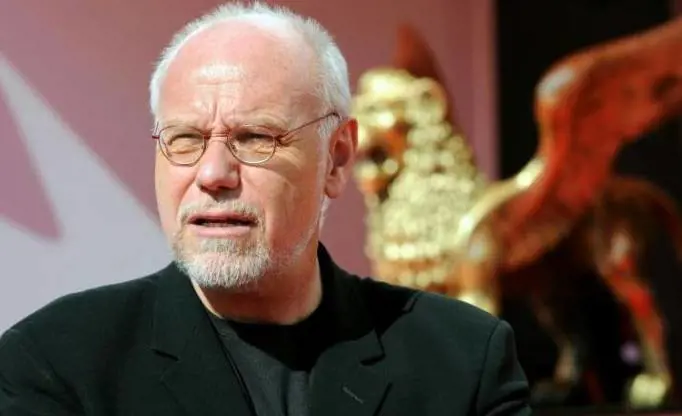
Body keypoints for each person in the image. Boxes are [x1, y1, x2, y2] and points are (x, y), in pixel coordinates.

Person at [0, 2, 531, 415]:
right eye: (184, 139)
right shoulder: (57, 363)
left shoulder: (462, 361)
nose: (212, 174)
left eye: (255, 138)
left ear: (336, 159)